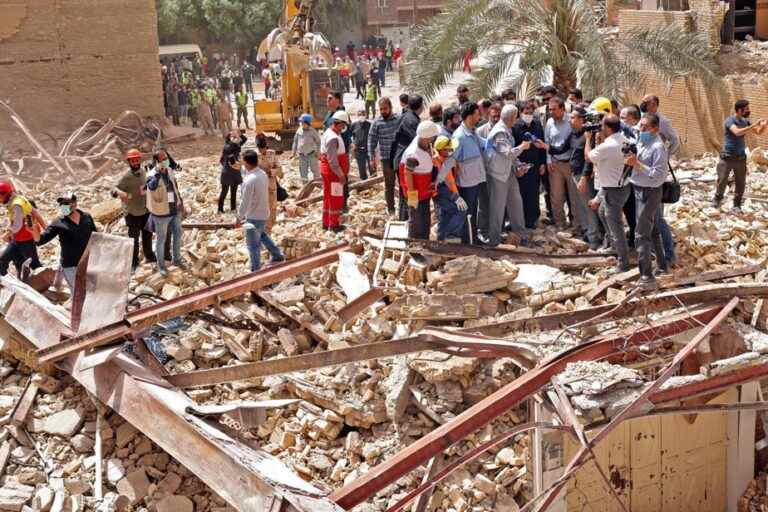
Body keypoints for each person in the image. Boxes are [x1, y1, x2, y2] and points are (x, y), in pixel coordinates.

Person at [624, 113, 668, 289]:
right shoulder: (643, 140)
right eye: (640, 126)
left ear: (655, 129)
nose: (640, 129)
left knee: (641, 234)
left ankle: (647, 277)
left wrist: (637, 164)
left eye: (644, 127)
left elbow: (658, 175)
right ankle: (663, 266)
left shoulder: (658, 147)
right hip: (639, 189)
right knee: (653, 229)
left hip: (649, 192)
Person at [586, 114, 630, 272]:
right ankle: (613, 246)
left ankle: (623, 263)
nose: (601, 128)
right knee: (602, 211)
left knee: (616, 226)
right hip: (621, 186)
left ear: (608, 128)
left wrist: (587, 140)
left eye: (602, 126)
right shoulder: (625, 140)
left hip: (613, 190)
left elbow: (589, 157)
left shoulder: (608, 146)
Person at [483, 104, 530, 247]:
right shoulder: (499, 132)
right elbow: (507, 153)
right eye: (516, 117)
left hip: (508, 172)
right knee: (497, 208)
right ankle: (494, 240)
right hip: (497, 175)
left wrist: (519, 165)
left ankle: (521, 235)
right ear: (511, 118)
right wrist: (522, 147)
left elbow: (511, 157)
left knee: (516, 203)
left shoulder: (507, 129)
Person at [713, 99, 768, 211]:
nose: (749, 111)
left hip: (741, 157)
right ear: (739, 110)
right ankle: (717, 200)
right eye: (747, 109)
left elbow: (758, 132)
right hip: (728, 156)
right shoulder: (730, 121)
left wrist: (764, 125)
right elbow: (737, 132)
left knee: (740, 182)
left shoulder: (745, 121)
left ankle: (737, 205)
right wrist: (753, 125)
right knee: (722, 180)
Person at [236, 150, 284, 272]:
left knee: (253, 245)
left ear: (246, 163)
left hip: (254, 216)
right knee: (262, 235)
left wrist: (239, 218)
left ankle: (255, 270)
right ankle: (277, 255)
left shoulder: (249, 180)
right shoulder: (262, 174)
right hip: (264, 213)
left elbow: (245, 202)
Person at [37, 192, 96, 291]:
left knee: (91, 291)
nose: (64, 206)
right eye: (62, 204)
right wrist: (33, 231)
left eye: (67, 203)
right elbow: (40, 240)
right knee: (78, 292)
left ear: (75, 204)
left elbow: (95, 237)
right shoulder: (58, 222)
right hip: (71, 265)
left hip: (88, 262)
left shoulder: (86, 217)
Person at [538, 96, 581, 230]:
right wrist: (549, 160)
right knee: (556, 197)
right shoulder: (550, 122)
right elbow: (547, 141)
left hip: (570, 164)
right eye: (550, 109)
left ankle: (576, 225)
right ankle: (560, 224)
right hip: (555, 164)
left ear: (562, 109)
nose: (551, 112)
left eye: (554, 109)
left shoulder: (571, 121)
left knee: (574, 197)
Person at [565, 107, 602, 250]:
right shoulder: (575, 134)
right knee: (581, 206)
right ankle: (588, 232)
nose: (570, 120)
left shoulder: (590, 136)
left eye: (573, 117)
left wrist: (585, 177)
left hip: (583, 176)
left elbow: (589, 159)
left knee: (589, 207)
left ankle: (594, 239)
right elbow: (562, 148)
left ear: (582, 119)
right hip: (576, 173)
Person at [146, 150, 186, 276]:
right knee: (161, 240)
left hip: (174, 209)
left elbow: (174, 186)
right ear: (157, 161)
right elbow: (151, 187)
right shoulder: (151, 174)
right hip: (161, 213)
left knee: (178, 234)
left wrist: (181, 202)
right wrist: (158, 174)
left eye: (166, 157)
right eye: (163, 159)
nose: (166, 160)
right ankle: (161, 266)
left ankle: (177, 259)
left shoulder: (169, 170)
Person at [114, 149, 156, 270]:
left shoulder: (143, 172)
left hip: (145, 211)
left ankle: (150, 256)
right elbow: (114, 189)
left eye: (137, 160)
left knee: (147, 235)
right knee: (134, 239)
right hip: (132, 213)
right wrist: (120, 193)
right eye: (133, 160)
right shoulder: (126, 177)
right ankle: (133, 262)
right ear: (129, 162)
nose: (135, 162)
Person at [452, 102, 487, 244]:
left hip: (475, 179)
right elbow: (452, 161)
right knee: (468, 212)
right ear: (470, 116)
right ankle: (468, 241)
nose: (479, 117)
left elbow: (485, 144)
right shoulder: (459, 136)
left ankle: (472, 238)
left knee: (472, 209)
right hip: (466, 182)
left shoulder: (472, 131)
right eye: (477, 114)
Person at [400, 121, 440, 239]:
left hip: (424, 191)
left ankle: (424, 243)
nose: (434, 139)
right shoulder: (413, 154)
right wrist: (412, 196)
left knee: (425, 219)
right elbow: (407, 174)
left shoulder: (423, 141)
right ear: (426, 138)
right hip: (415, 193)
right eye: (433, 137)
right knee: (416, 221)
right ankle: (414, 249)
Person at [512, 100, 547, 229]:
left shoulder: (537, 124)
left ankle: (532, 220)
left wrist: (543, 163)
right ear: (521, 113)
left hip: (535, 165)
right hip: (520, 166)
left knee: (533, 193)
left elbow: (542, 144)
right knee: (521, 193)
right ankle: (521, 220)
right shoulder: (515, 127)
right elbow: (513, 148)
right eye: (526, 112)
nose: (529, 114)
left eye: (531, 112)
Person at [0, 182, 45, 277]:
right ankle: (7, 281)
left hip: (26, 241)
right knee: (4, 259)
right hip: (16, 240)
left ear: (5, 194)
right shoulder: (16, 200)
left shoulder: (17, 205)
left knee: (35, 264)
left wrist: (6, 234)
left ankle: (45, 281)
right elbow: (35, 213)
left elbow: (17, 225)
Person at [391, 95, 424, 220]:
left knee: (405, 192)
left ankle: (405, 218)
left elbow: (394, 140)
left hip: (399, 160)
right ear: (420, 106)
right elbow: (416, 142)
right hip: (407, 163)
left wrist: (391, 162)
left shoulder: (404, 117)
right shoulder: (412, 121)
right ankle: (411, 220)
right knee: (410, 192)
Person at [368, 97, 401, 216]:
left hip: (399, 157)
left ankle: (404, 209)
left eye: (385, 109)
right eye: (381, 109)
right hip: (386, 159)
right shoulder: (377, 122)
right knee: (389, 185)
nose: (383, 111)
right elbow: (371, 140)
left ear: (390, 107)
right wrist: (371, 157)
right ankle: (391, 209)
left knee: (403, 184)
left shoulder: (398, 119)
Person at [320, 111, 351, 232]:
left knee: (328, 197)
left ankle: (326, 222)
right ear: (338, 124)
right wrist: (341, 175)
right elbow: (332, 160)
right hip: (333, 174)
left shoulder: (330, 133)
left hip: (330, 172)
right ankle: (334, 225)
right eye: (343, 126)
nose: (343, 128)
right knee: (335, 198)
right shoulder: (333, 138)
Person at [433, 136, 467, 241]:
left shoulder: (447, 159)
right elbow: (438, 185)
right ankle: (450, 235)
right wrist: (454, 197)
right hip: (441, 194)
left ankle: (441, 238)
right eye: (448, 149)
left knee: (445, 215)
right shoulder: (435, 162)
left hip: (450, 192)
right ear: (441, 150)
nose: (451, 150)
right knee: (460, 210)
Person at [255, 134, 283, 234]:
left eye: (263, 148)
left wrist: (272, 172)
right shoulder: (254, 156)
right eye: (260, 149)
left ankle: (269, 229)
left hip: (271, 185)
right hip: (259, 186)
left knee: (272, 208)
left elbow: (279, 169)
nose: (261, 151)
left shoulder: (272, 154)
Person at [219, 130, 247, 213]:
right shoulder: (227, 147)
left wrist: (238, 134)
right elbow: (230, 151)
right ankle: (220, 209)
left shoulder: (235, 145)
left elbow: (244, 139)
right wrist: (234, 137)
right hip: (227, 172)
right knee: (224, 191)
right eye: (234, 137)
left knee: (233, 191)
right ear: (230, 138)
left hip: (234, 171)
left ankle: (233, 208)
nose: (236, 139)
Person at [292, 114, 321, 182]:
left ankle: (317, 184)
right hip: (302, 156)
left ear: (307, 123)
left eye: (303, 122)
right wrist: (293, 152)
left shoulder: (313, 131)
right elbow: (295, 142)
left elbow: (318, 142)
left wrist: (318, 152)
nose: (301, 124)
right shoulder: (299, 130)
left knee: (315, 171)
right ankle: (305, 186)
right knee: (303, 173)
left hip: (312, 155)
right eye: (301, 122)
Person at [350, 110, 372, 180]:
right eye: (359, 114)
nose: (361, 116)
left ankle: (374, 183)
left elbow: (374, 136)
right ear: (357, 115)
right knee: (361, 169)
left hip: (369, 150)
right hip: (358, 151)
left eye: (363, 114)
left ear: (365, 115)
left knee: (372, 168)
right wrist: (352, 144)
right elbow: (349, 135)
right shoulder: (354, 125)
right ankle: (364, 184)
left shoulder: (370, 125)